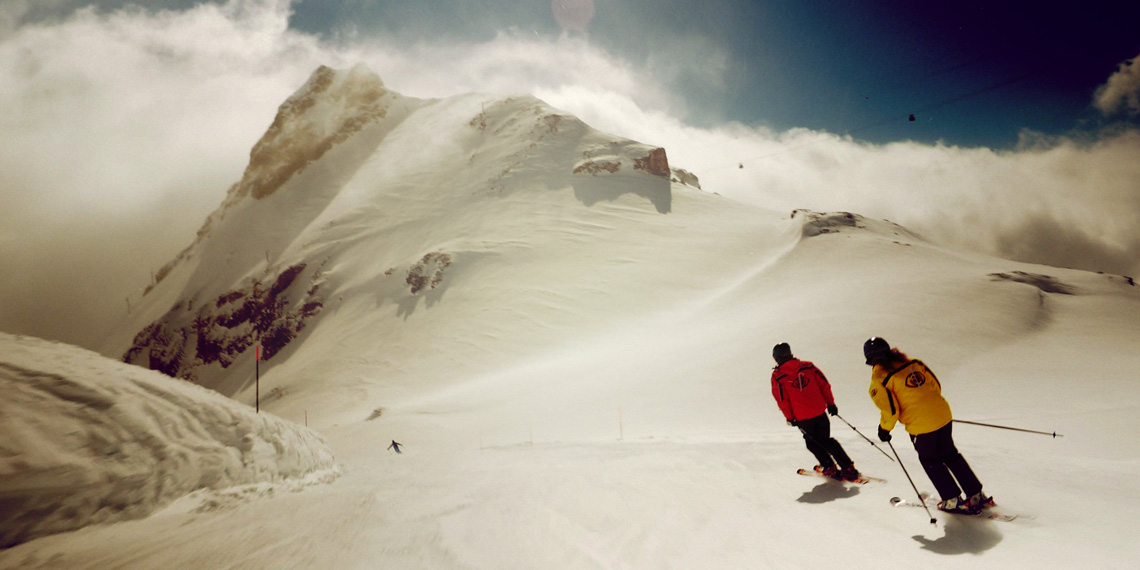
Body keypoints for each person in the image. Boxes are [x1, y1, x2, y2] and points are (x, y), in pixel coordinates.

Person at [864, 337, 992, 514]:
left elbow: (891, 411)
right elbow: (936, 385)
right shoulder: (914, 363)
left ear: (871, 360)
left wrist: (884, 429)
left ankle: (952, 499)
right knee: (951, 455)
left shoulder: (880, 379)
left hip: (921, 426)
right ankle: (976, 493)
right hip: (943, 414)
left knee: (930, 461)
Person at [770, 342, 860, 481]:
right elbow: (824, 385)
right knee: (826, 440)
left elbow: (782, 399)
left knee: (812, 443)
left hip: (802, 418)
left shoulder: (778, 376)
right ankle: (847, 467)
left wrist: (790, 418)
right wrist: (831, 404)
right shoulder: (808, 366)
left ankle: (828, 466)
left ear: (777, 358)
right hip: (819, 412)